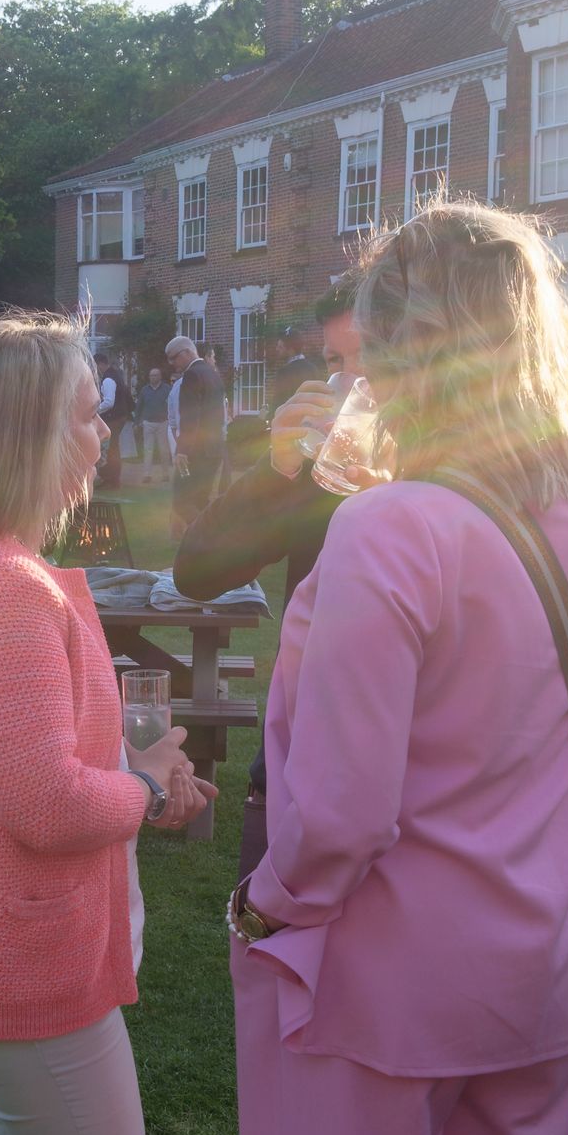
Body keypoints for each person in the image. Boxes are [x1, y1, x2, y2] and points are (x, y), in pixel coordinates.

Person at [228, 202, 568, 1135]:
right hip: (540, 957)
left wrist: (264, 904)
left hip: (385, 980)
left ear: (407, 349)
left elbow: (341, 811)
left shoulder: (389, 526)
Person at [0, 311, 216, 1135]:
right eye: (82, 412)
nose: (103, 429)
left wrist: (144, 778)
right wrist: (143, 788)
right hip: (21, 977)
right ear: (19, 435)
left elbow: (27, 761)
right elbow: (47, 803)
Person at [175, 277, 360, 881]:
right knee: (265, 956)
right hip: (296, 761)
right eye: (337, 362)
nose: (353, 383)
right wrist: (275, 469)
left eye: (374, 358)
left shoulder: (461, 488)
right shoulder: (317, 475)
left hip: (409, 794)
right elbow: (198, 571)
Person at [165, 335, 223, 533]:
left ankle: (208, 536)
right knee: (201, 499)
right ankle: (208, 540)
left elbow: (191, 417)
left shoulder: (192, 375)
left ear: (187, 352)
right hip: (214, 449)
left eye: (174, 357)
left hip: (196, 451)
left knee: (181, 500)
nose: (171, 364)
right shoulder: (212, 373)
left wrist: (182, 451)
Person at [96, 352, 129, 488]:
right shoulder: (115, 375)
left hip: (113, 418)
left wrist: (95, 410)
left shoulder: (108, 379)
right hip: (118, 417)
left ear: (100, 364)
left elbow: (109, 402)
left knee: (110, 448)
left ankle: (111, 479)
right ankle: (111, 478)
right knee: (113, 448)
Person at [136, 366, 170, 484]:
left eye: (155, 375)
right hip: (148, 423)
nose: (153, 377)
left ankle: (165, 474)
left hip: (163, 423)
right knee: (148, 449)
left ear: (160, 376)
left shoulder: (167, 389)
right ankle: (147, 475)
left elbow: (171, 404)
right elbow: (139, 406)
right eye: (151, 375)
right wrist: (137, 421)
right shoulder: (145, 390)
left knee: (164, 450)